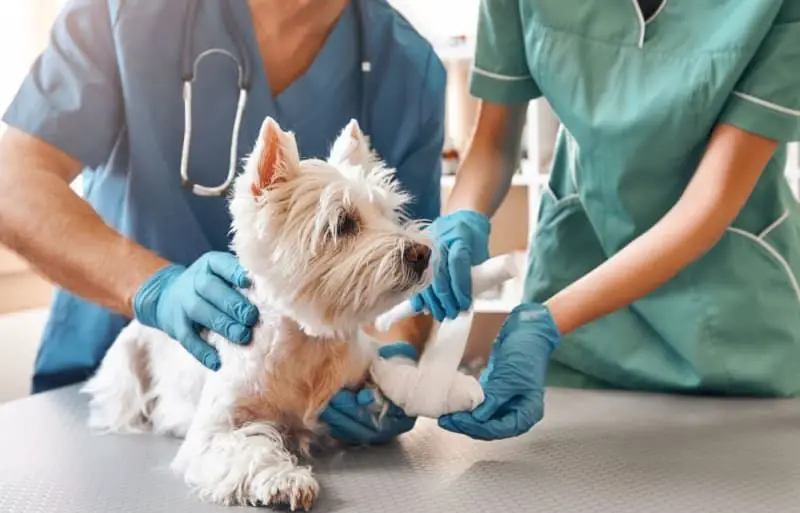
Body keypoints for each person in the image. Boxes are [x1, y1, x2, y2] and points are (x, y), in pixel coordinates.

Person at [0, 0, 444, 445]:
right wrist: (155, 290)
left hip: (307, 413)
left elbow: (409, 278)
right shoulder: (126, 13)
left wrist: (395, 365)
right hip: (118, 392)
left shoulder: (406, 66)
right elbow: (13, 184)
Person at [411, 0, 800, 440]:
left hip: (727, 322)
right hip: (578, 297)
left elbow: (707, 204)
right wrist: (461, 218)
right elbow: (494, 142)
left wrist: (548, 322)